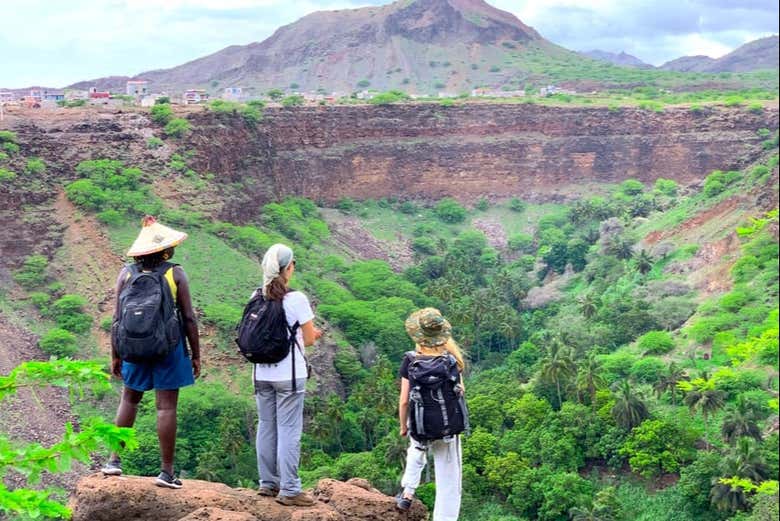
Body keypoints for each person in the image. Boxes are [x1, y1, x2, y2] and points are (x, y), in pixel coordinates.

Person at [101, 216, 201, 489]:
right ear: (164, 250)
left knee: (129, 401)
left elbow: (117, 318)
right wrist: (195, 354)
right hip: (168, 347)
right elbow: (189, 317)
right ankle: (166, 473)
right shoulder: (175, 273)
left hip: (132, 347)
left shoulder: (126, 273)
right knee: (166, 407)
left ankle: (113, 461)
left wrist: (115, 354)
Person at [254, 244, 322, 506]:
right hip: (289, 376)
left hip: (260, 374)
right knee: (289, 431)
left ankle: (267, 483)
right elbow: (308, 339)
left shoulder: (255, 296)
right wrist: (313, 336)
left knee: (266, 427)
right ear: (288, 268)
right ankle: (290, 489)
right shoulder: (296, 299)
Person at [397, 308, 465, 521]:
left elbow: (405, 400)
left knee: (416, 451)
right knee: (449, 478)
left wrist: (403, 426)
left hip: (421, 424)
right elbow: (460, 391)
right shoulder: (452, 361)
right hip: (448, 427)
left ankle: (407, 492)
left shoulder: (410, 361)